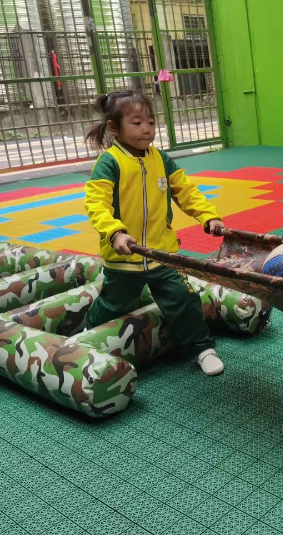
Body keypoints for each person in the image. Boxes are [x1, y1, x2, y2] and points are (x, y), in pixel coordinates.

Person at [83, 90, 225, 375]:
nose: (146, 129)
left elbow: (185, 190)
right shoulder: (109, 163)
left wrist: (208, 216)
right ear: (114, 128)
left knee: (183, 298)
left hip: (162, 253)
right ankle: (86, 332)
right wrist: (115, 232)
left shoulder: (161, 159)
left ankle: (201, 347)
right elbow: (96, 204)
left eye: (151, 121)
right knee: (115, 303)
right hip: (124, 256)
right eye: (136, 123)